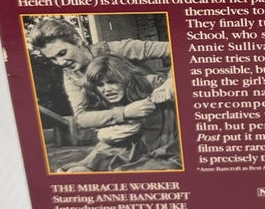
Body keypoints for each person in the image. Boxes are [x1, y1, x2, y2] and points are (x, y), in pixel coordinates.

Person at [26, 17, 171, 135]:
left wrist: (171, 81)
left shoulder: (116, 49)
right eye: (53, 59)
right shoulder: (71, 76)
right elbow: (82, 118)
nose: (61, 62)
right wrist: (124, 113)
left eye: (62, 53)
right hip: (136, 126)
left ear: (77, 41)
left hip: (166, 108)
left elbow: (178, 49)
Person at [61, 55, 180, 173]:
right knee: (83, 168)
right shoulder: (108, 99)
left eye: (112, 82)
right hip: (137, 145)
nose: (107, 89)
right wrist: (90, 164)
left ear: (125, 77)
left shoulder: (152, 83)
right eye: (100, 84)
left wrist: (170, 86)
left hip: (171, 143)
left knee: (125, 170)